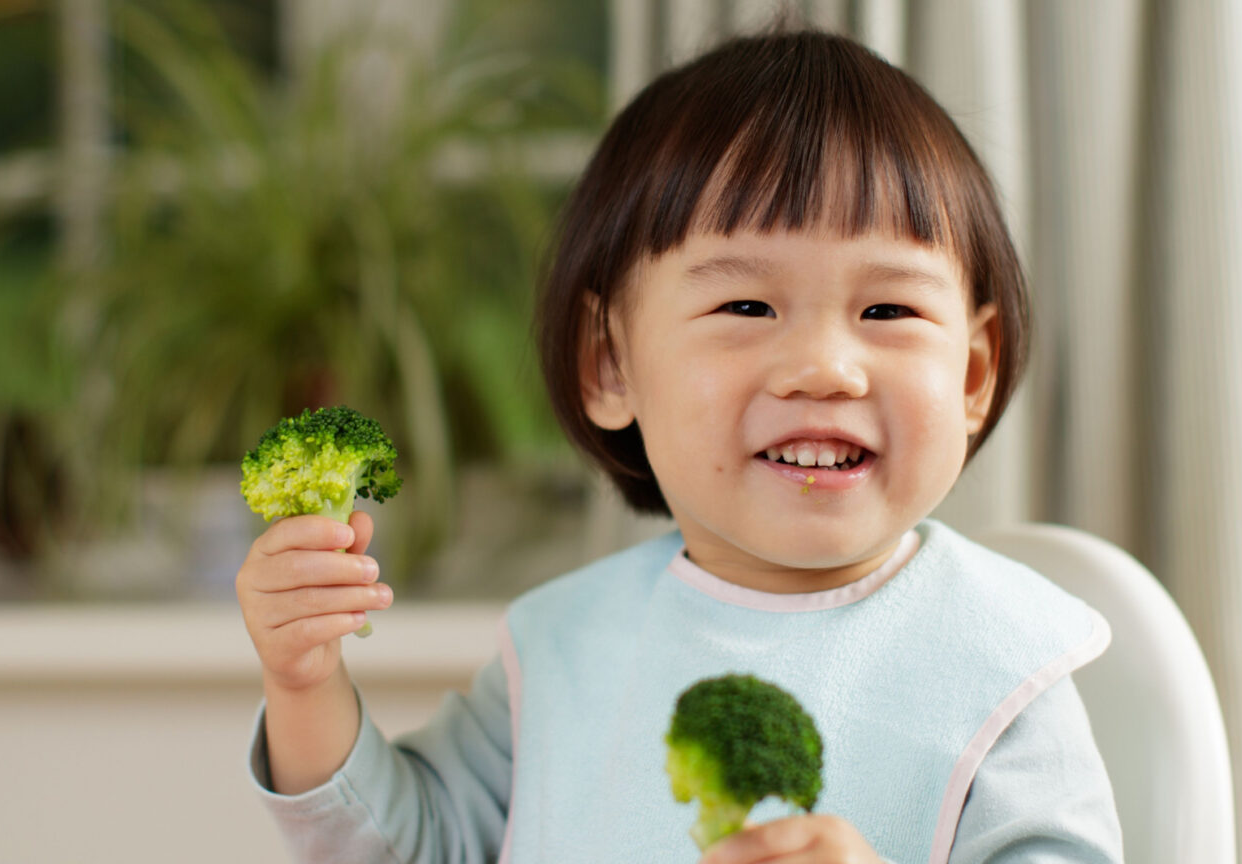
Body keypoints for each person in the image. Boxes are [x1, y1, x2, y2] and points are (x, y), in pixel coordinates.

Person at [236, 28, 1123, 864]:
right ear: (609, 362)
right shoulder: (560, 651)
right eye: (747, 308)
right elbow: (410, 845)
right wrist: (305, 682)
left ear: (973, 374)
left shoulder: (1000, 667)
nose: (823, 368)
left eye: (886, 311)